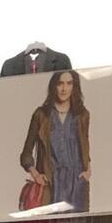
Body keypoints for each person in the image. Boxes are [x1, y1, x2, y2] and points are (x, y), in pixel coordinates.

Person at [19, 69, 91, 212]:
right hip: (51, 183)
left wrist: (88, 171)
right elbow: (26, 153)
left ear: (74, 86)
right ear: (54, 86)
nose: (64, 89)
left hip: (76, 184)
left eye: (69, 83)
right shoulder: (41, 115)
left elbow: (84, 145)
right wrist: (36, 174)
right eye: (60, 83)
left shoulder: (82, 114)